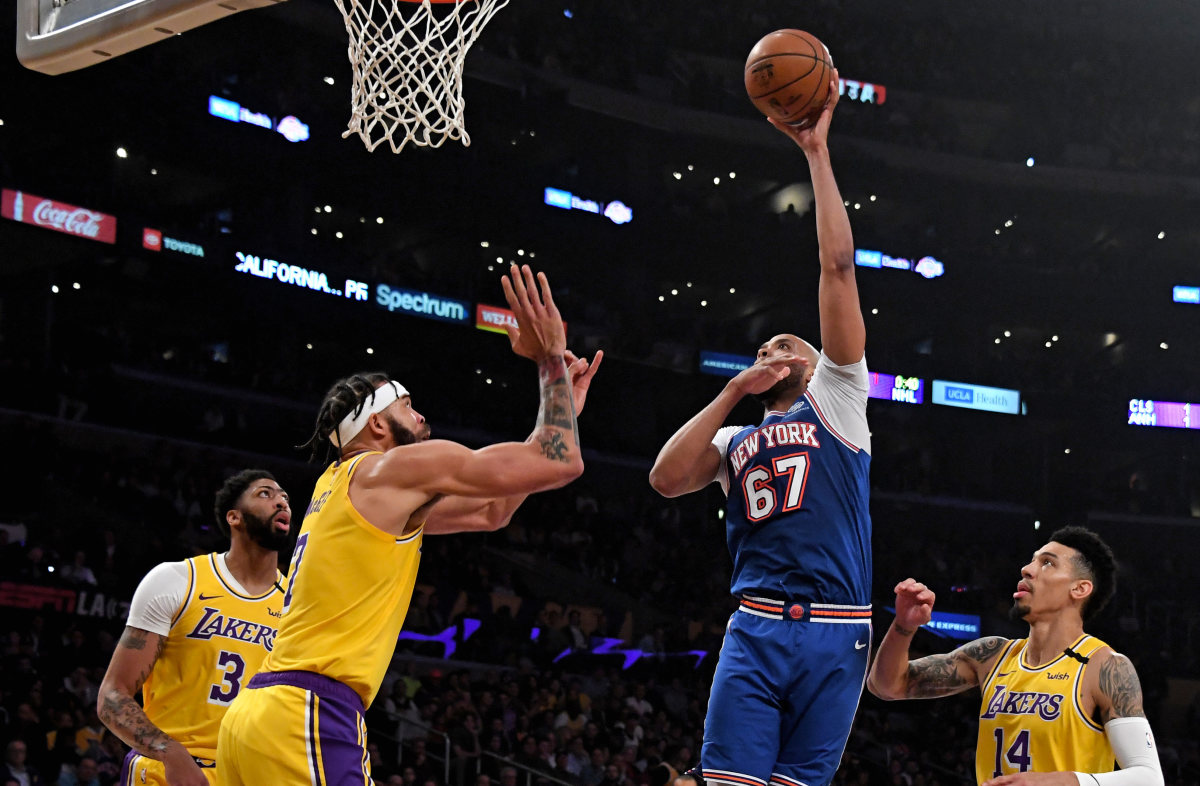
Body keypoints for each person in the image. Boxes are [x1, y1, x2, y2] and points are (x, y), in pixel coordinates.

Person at [216, 264, 598, 785]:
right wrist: (550, 358)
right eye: (408, 405)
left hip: (260, 715)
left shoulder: (347, 487)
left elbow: (494, 510)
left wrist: (562, 412)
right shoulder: (390, 468)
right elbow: (562, 463)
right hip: (306, 711)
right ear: (377, 423)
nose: (421, 417)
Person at [649, 71, 871, 786]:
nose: (772, 352)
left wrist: (816, 154)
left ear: (815, 362)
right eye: (761, 348)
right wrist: (732, 391)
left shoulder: (838, 399)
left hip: (839, 628)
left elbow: (837, 267)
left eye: (786, 345)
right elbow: (664, 479)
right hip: (757, 622)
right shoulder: (732, 441)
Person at [867, 526, 1165, 786]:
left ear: (1080, 588)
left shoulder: (1104, 666)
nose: (1027, 569)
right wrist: (903, 627)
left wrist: (1068, 780)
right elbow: (887, 686)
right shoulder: (991, 655)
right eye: (1032, 560)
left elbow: (1149, 778)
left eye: (1047, 563)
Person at [97, 469, 292, 786]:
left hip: (249, 773)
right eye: (266, 494)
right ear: (234, 517)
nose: (282, 502)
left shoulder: (295, 607)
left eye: (285, 497)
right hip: (169, 769)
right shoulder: (178, 580)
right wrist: (171, 753)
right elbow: (112, 695)